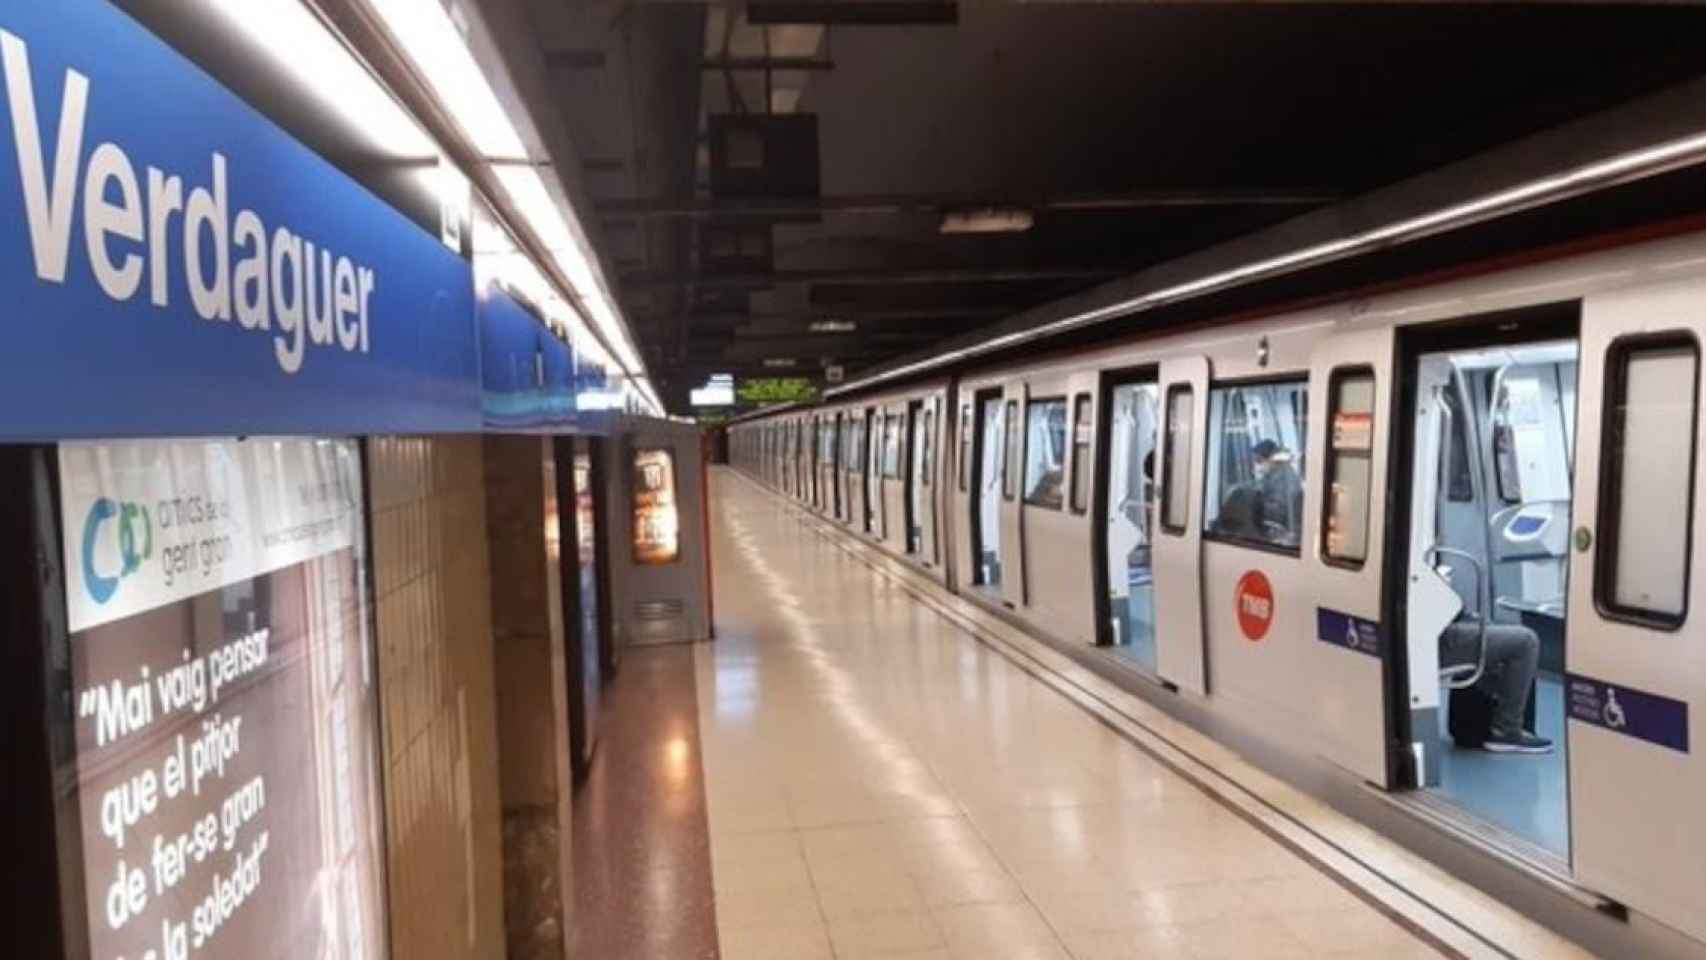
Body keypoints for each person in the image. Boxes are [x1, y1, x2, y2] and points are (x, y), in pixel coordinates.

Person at [1440, 619, 1552, 753]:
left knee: (1487, 627)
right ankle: (1506, 730)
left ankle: (1475, 728)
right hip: (1432, 643)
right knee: (1526, 641)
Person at [1252, 439, 1303, 543]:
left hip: (1285, 532)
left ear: (1271, 459)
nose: (1257, 465)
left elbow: (1280, 510)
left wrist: (1257, 505)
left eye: (1259, 460)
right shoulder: (1271, 474)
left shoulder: (1285, 478)